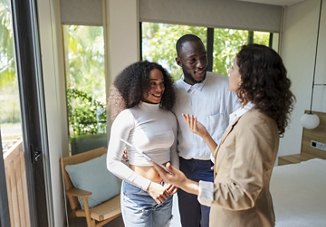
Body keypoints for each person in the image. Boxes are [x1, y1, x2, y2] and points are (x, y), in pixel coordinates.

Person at [154, 44, 295, 227]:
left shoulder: (255, 123)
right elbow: (230, 158)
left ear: (248, 76)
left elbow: (242, 193)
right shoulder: (250, 116)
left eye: (234, 67)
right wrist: (205, 135)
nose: (229, 71)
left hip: (242, 221)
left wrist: (187, 184)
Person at [173, 34, 240, 227]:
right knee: (188, 222)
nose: (201, 64)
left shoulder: (225, 85)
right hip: (184, 167)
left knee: (212, 222)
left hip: (213, 168)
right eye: (192, 59)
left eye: (203, 57)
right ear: (179, 61)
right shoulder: (172, 92)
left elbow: (239, 125)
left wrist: (229, 161)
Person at [106, 60, 179, 227]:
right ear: (138, 85)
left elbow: (173, 152)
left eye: (161, 84)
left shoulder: (169, 116)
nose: (159, 89)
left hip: (165, 192)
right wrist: (148, 186)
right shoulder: (127, 117)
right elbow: (112, 162)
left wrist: (174, 180)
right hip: (137, 194)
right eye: (152, 84)